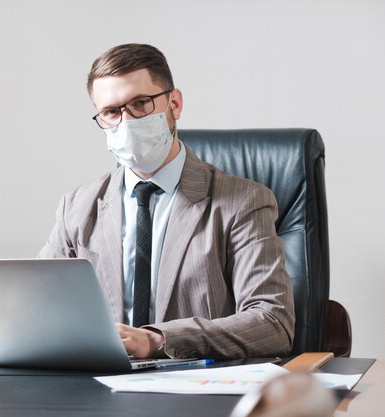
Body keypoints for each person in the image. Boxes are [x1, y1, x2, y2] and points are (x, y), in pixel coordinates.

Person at [38, 43, 294, 359]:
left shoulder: (243, 202)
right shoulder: (76, 207)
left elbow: (272, 323)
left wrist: (157, 340)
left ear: (174, 103)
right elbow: (37, 310)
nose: (126, 122)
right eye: (110, 112)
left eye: (140, 104)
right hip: (101, 389)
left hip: (198, 390)